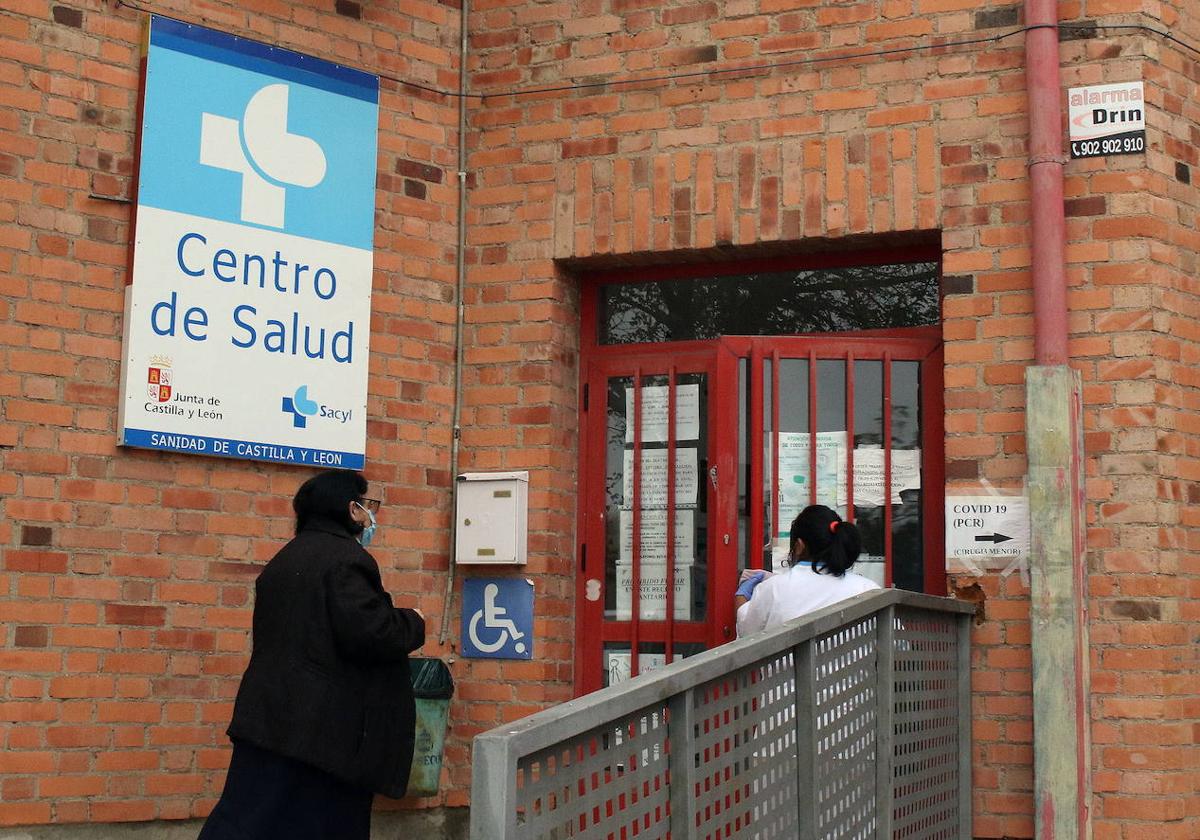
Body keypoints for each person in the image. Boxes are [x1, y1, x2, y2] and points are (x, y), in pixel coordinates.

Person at [198, 470, 426, 840]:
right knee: (324, 823)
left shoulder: (286, 558)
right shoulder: (346, 560)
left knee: (250, 818)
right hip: (323, 731)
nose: (370, 515)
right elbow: (372, 632)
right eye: (366, 505)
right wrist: (413, 622)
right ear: (351, 508)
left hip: (271, 718)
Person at [735, 504, 880, 638]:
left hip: (789, 667)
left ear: (799, 546)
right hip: (857, 667)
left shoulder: (773, 588)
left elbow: (747, 635)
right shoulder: (868, 589)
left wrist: (741, 597)